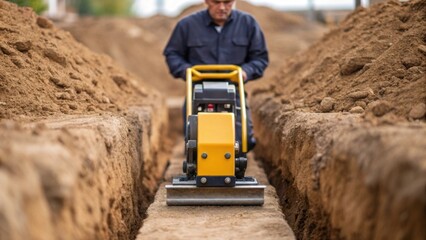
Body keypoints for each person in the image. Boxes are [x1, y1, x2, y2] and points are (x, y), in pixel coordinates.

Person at [163, 0, 268, 152]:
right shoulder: (187, 25)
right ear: (207, 1)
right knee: (195, 141)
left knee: (243, 141)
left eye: (227, 2)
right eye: (216, 2)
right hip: (198, 92)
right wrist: (186, 70)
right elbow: (173, 54)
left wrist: (245, 71)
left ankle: (235, 164)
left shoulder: (248, 24)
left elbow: (260, 58)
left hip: (233, 90)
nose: (222, 7)